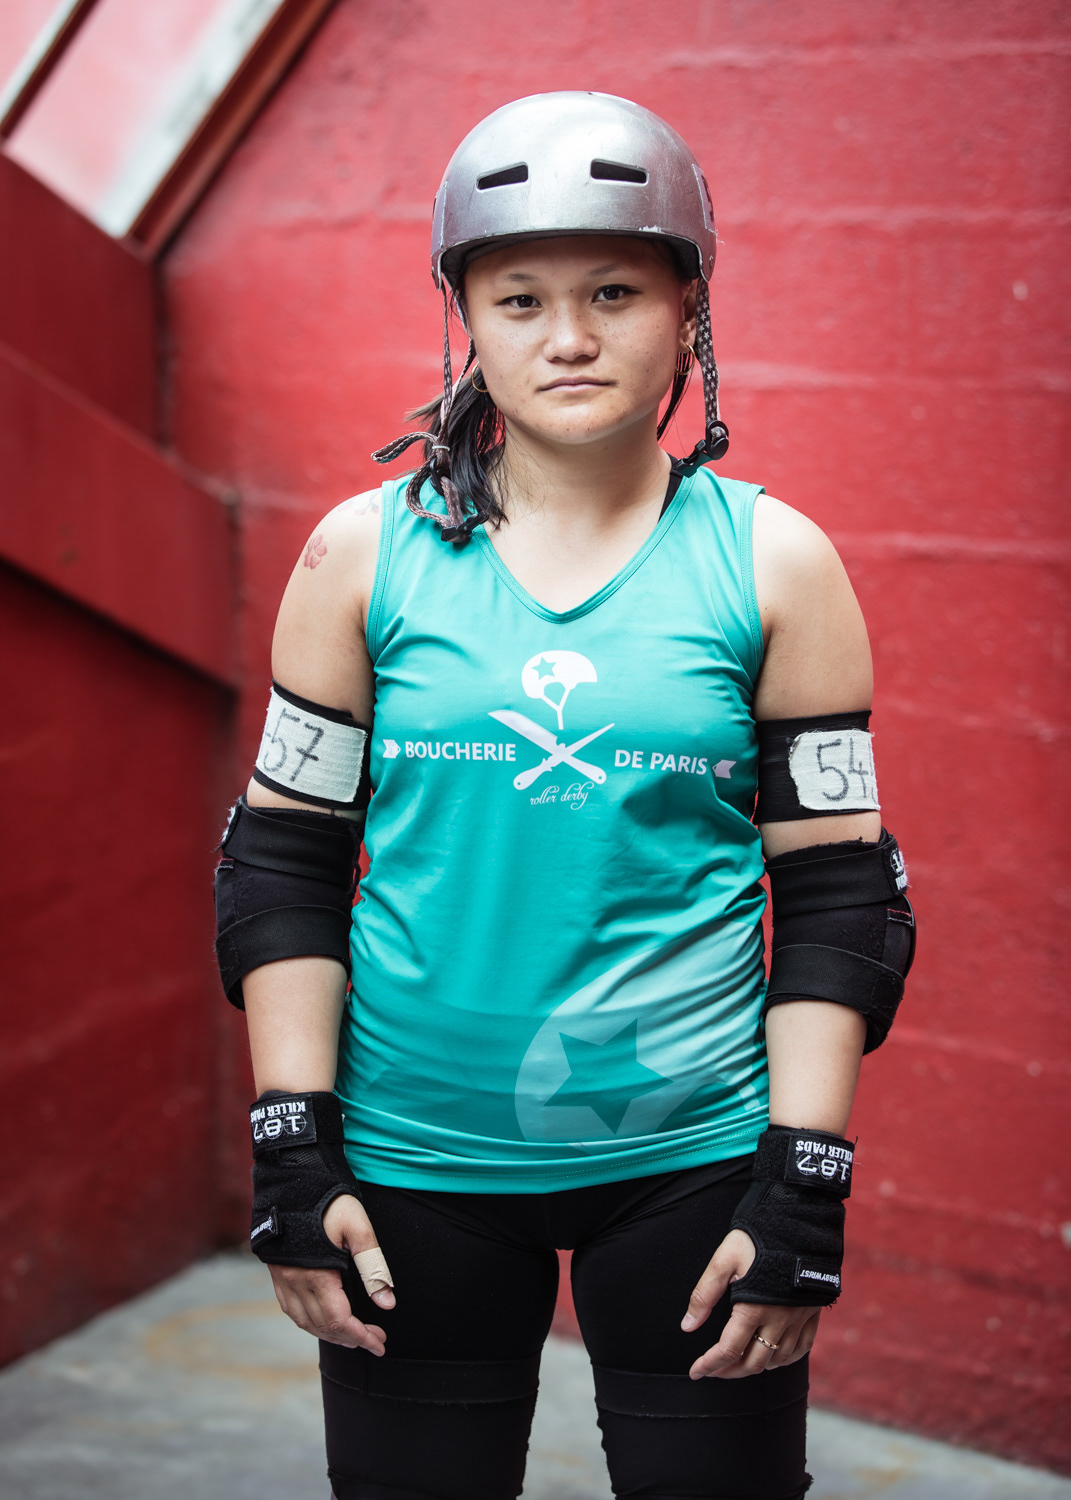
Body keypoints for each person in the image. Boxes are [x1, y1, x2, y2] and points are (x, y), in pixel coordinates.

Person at [214, 93, 915, 1500]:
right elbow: (283, 863)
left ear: (688, 309)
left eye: (614, 292)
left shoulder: (776, 562)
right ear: (466, 318)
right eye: (520, 298)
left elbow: (840, 896)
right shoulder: (361, 555)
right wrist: (291, 1143)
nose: (570, 337)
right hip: (409, 1159)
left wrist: (805, 1174)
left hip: (695, 1162)